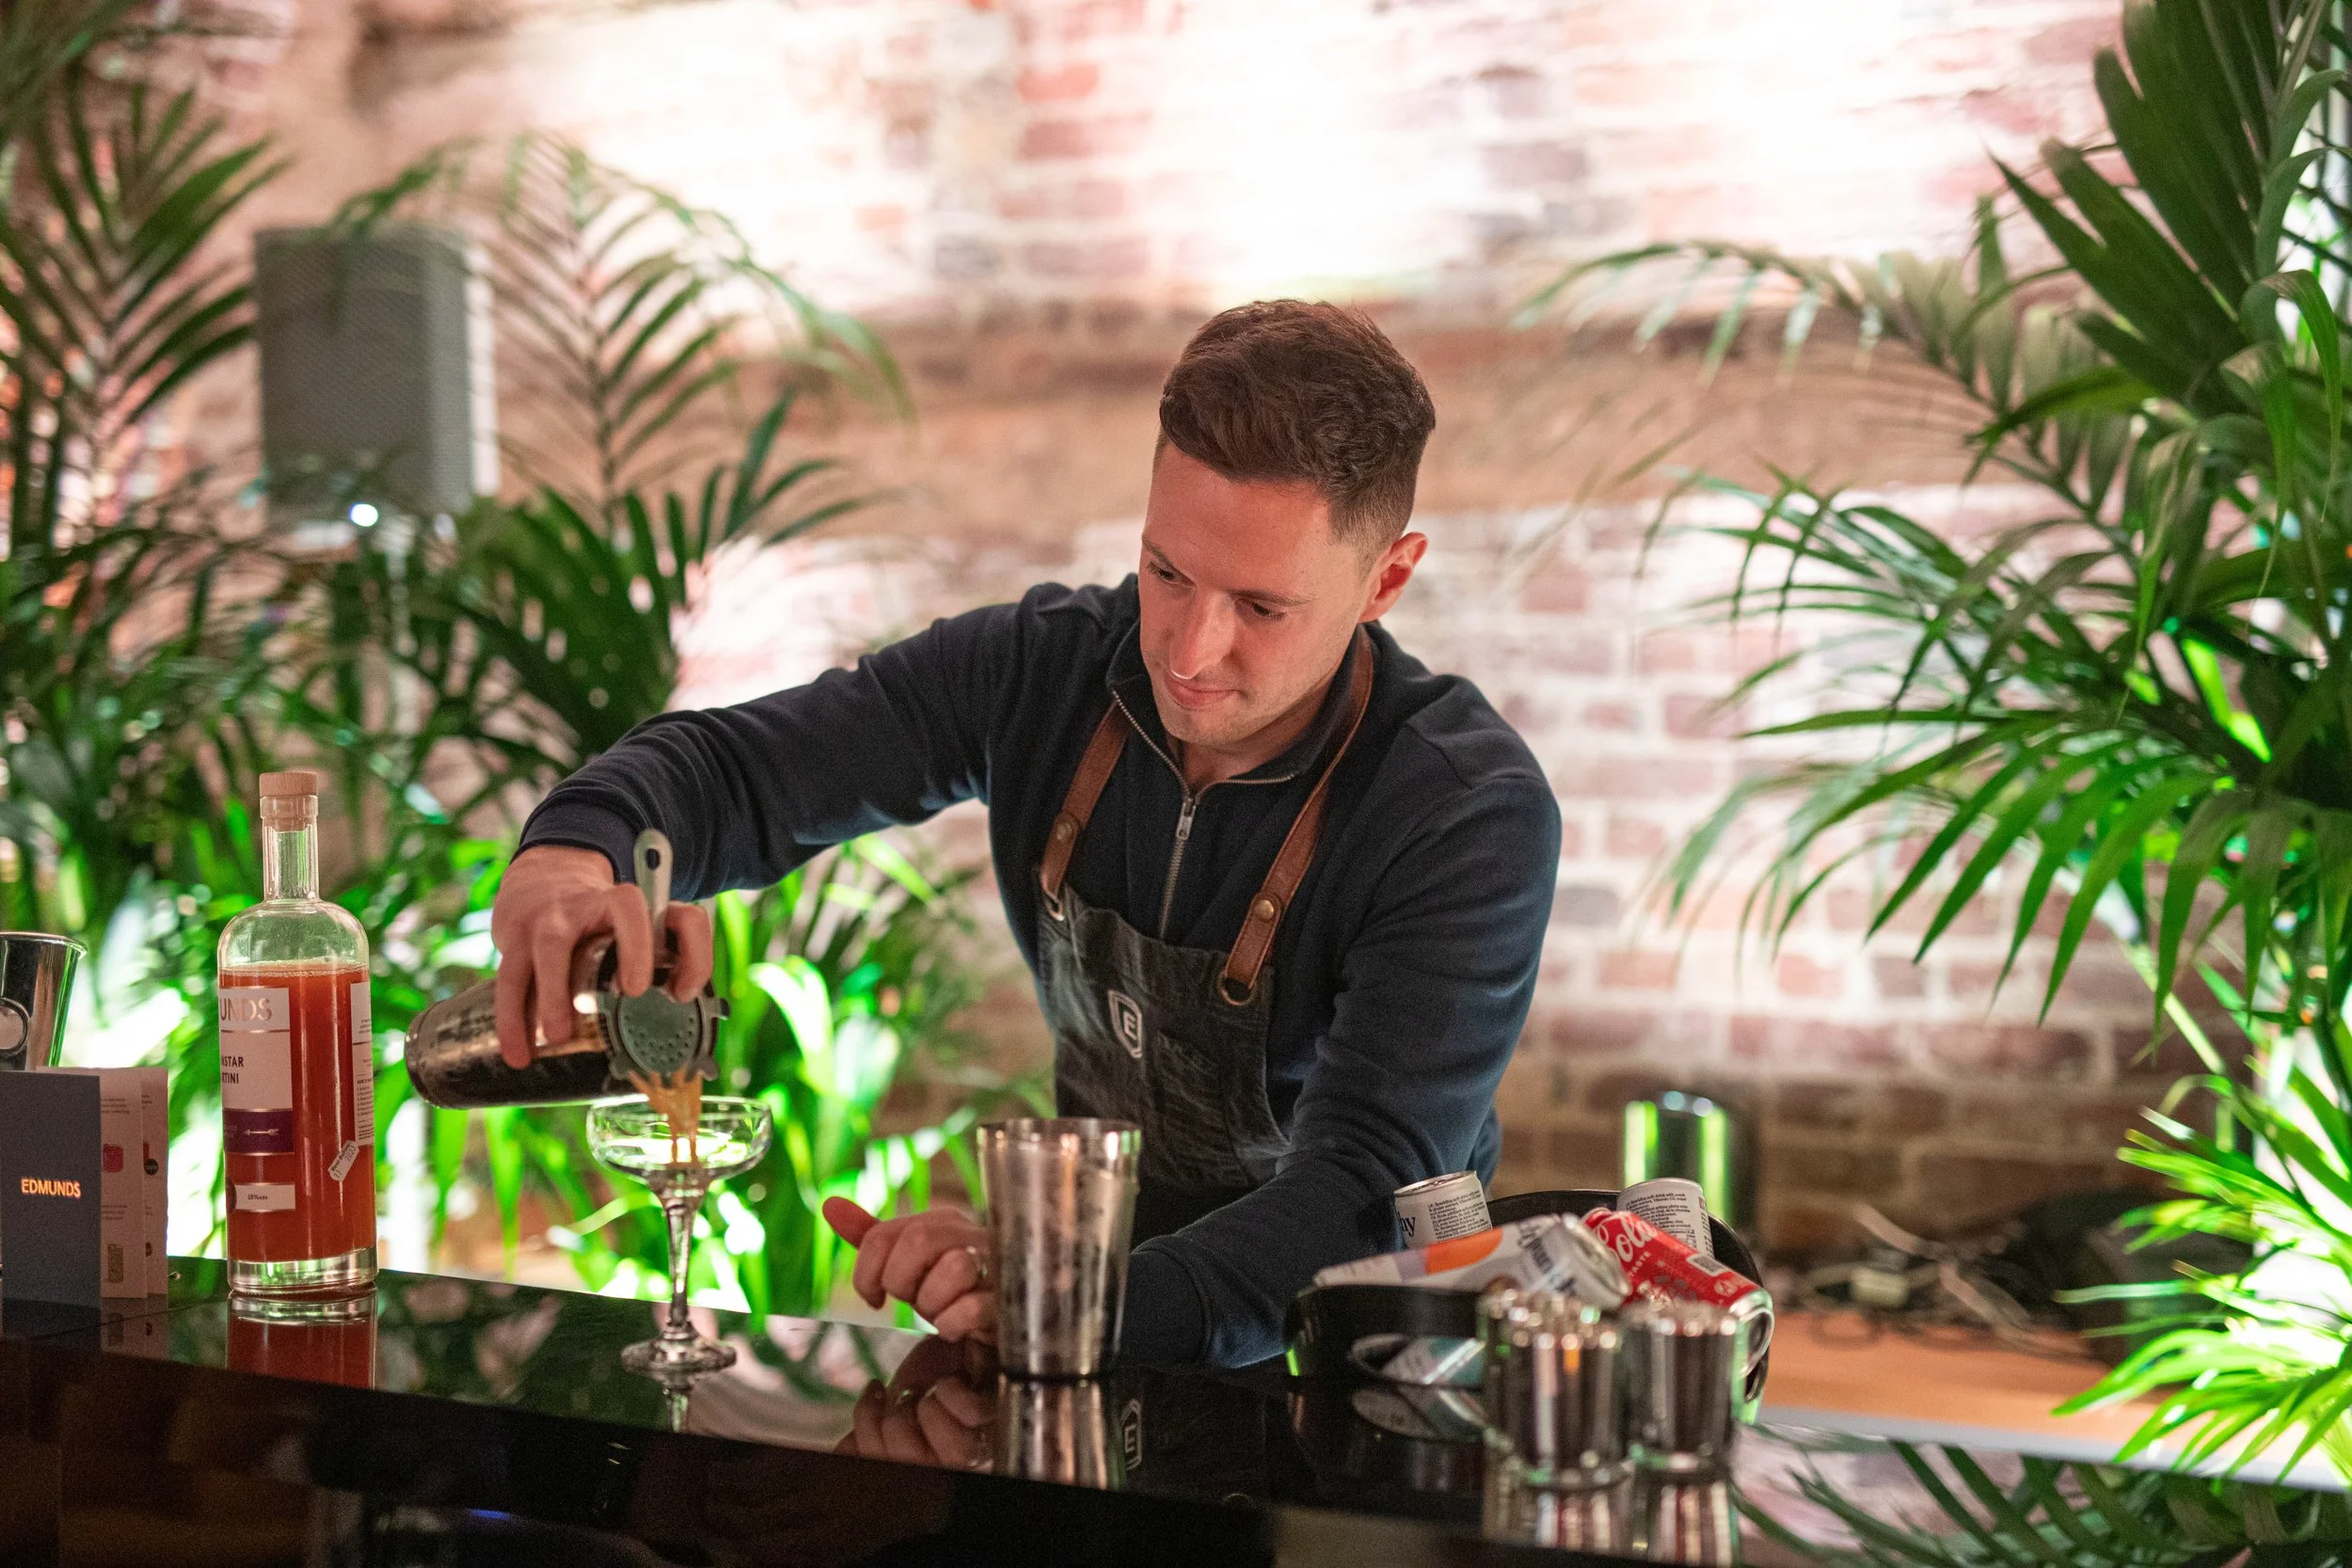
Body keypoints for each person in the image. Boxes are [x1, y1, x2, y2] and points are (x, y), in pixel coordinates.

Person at [489, 300, 1561, 1368]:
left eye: (1262, 607)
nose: (1190, 647)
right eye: (1167, 572)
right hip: (1089, 1320)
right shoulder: (1041, 671)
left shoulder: (1460, 810)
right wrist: (570, 854)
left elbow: (1365, 1194)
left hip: (1351, 1363)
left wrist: (1070, 1300)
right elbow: (742, 769)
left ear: (1387, 576)